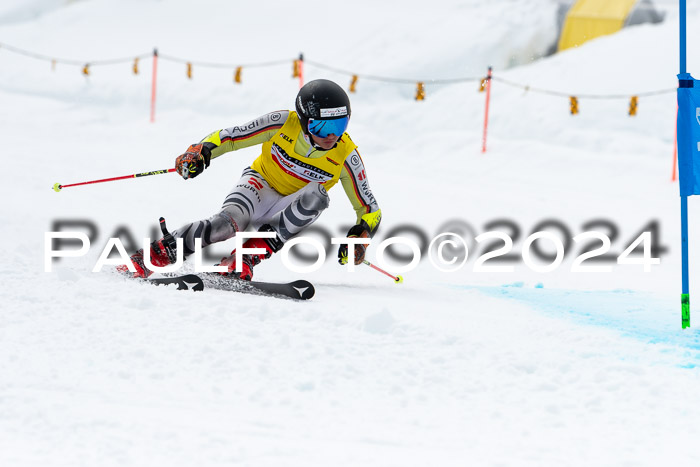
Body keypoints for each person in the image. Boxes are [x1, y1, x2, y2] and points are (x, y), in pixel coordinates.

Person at [118, 79, 381, 280]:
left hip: (288, 208)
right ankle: (155, 255)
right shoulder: (282, 123)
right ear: (303, 121)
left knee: (317, 196)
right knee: (225, 226)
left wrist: (362, 234)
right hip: (259, 186)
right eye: (321, 127)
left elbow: (370, 209)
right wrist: (200, 151)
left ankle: (243, 259)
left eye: (340, 126)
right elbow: (231, 137)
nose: (331, 136)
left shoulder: (347, 155)